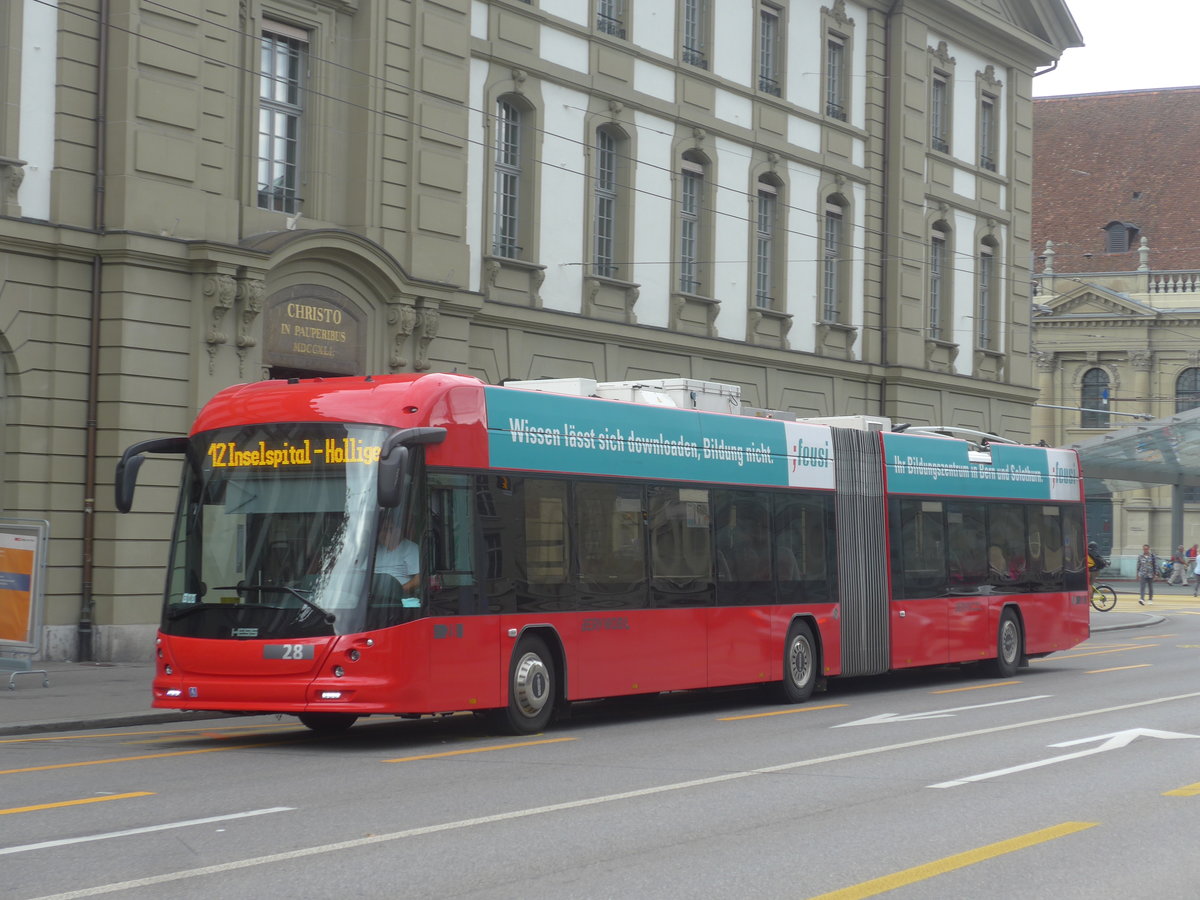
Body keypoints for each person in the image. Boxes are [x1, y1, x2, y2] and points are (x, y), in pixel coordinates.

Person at [374, 516, 420, 595]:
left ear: (399, 530)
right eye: (384, 530)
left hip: (398, 598)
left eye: (390, 529)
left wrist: (400, 590)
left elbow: (419, 578)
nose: (386, 533)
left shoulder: (411, 548)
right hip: (373, 596)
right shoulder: (375, 549)